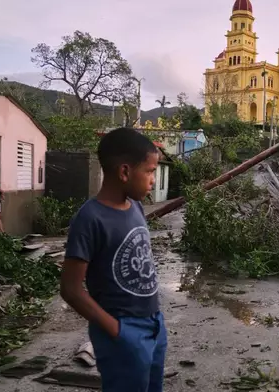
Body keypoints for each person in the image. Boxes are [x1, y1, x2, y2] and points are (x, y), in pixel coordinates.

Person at [60, 128, 166, 392]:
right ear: (124, 172)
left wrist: (156, 320)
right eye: (150, 171)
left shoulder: (136, 207)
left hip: (154, 323)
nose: (153, 180)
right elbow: (71, 289)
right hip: (122, 331)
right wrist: (117, 331)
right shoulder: (90, 219)